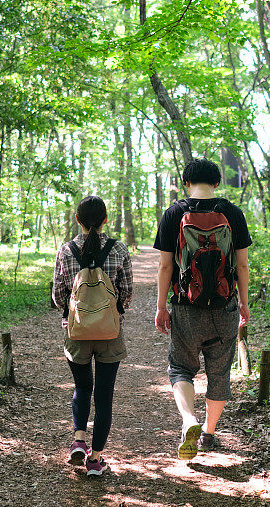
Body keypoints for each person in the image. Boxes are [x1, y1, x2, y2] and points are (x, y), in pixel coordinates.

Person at [153, 158, 251, 460]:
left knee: (181, 367)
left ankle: (188, 420)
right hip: (225, 307)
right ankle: (208, 434)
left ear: (186, 182)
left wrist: (161, 306)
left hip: (186, 307)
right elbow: (243, 264)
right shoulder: (233, 213)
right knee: (219, 372)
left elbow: (166, 265)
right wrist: (244, 304)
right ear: (217, 183)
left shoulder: (174, 213)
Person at [52, 196, 133, 476]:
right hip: (110, 332)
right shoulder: (119, 249)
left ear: (77, 219)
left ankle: (78, 440)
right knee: (105, 394)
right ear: (106, 220)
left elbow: (58, 296)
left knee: (82, 387)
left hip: (76, 332)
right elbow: (127, 294)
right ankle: (96, 460)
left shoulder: (66, 251)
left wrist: (75, 311)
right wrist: (112, 310)